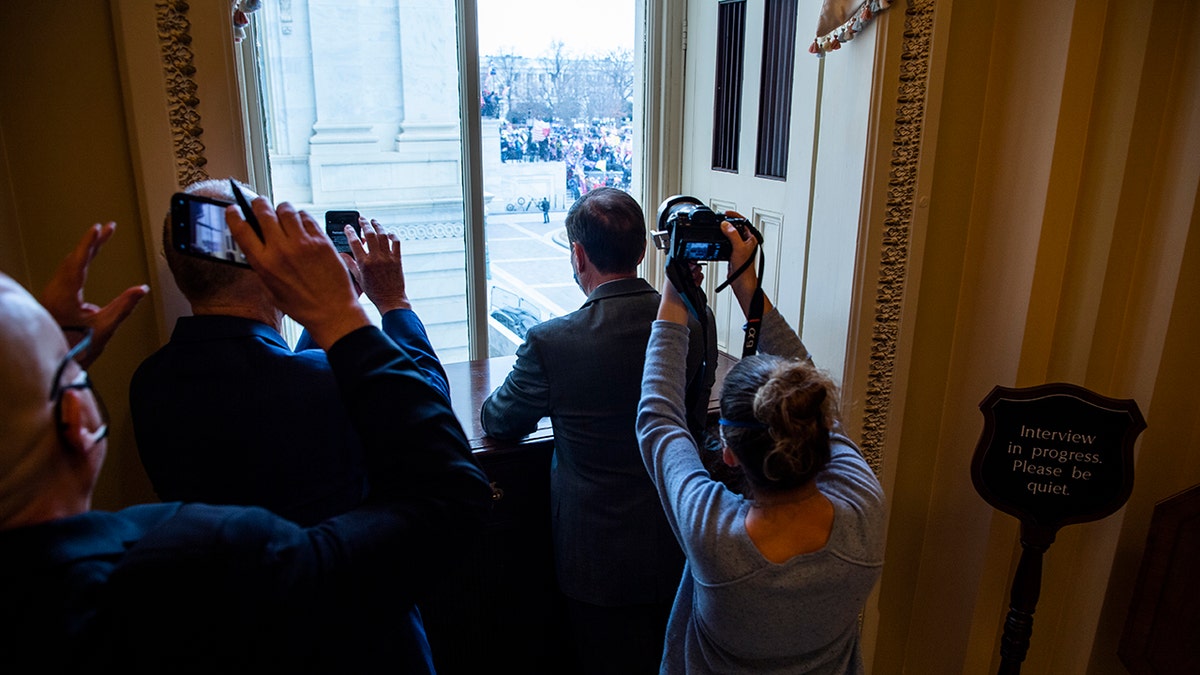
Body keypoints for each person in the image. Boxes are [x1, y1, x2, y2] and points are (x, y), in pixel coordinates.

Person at [0, 200, 493, 674]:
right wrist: (381, 305)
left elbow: (290, 376)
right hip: (355, 636)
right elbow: (441, 459)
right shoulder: (228, 548)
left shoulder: (150, 380)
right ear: (76, 419)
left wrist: (56, 363)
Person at [636, 215, 886, 674]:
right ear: (817, 435)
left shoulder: (714, 538)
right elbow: (803, 380)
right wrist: (745, 280)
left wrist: (673, 293)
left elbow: (660, 420)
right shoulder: (864, 510)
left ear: (728, 453)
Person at [480, 187, 714, 675]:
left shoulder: (554, 341)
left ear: (578, 255)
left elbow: (499, 420)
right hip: (679, 540)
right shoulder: (694, 320)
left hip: (595, 559)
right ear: (643, 252)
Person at [132, 178, 448, 528]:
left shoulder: (148, 381)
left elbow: (283, 372)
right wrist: (393, 301)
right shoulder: (323, 382)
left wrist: (338, 305)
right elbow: (429, 410)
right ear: (268, 272)